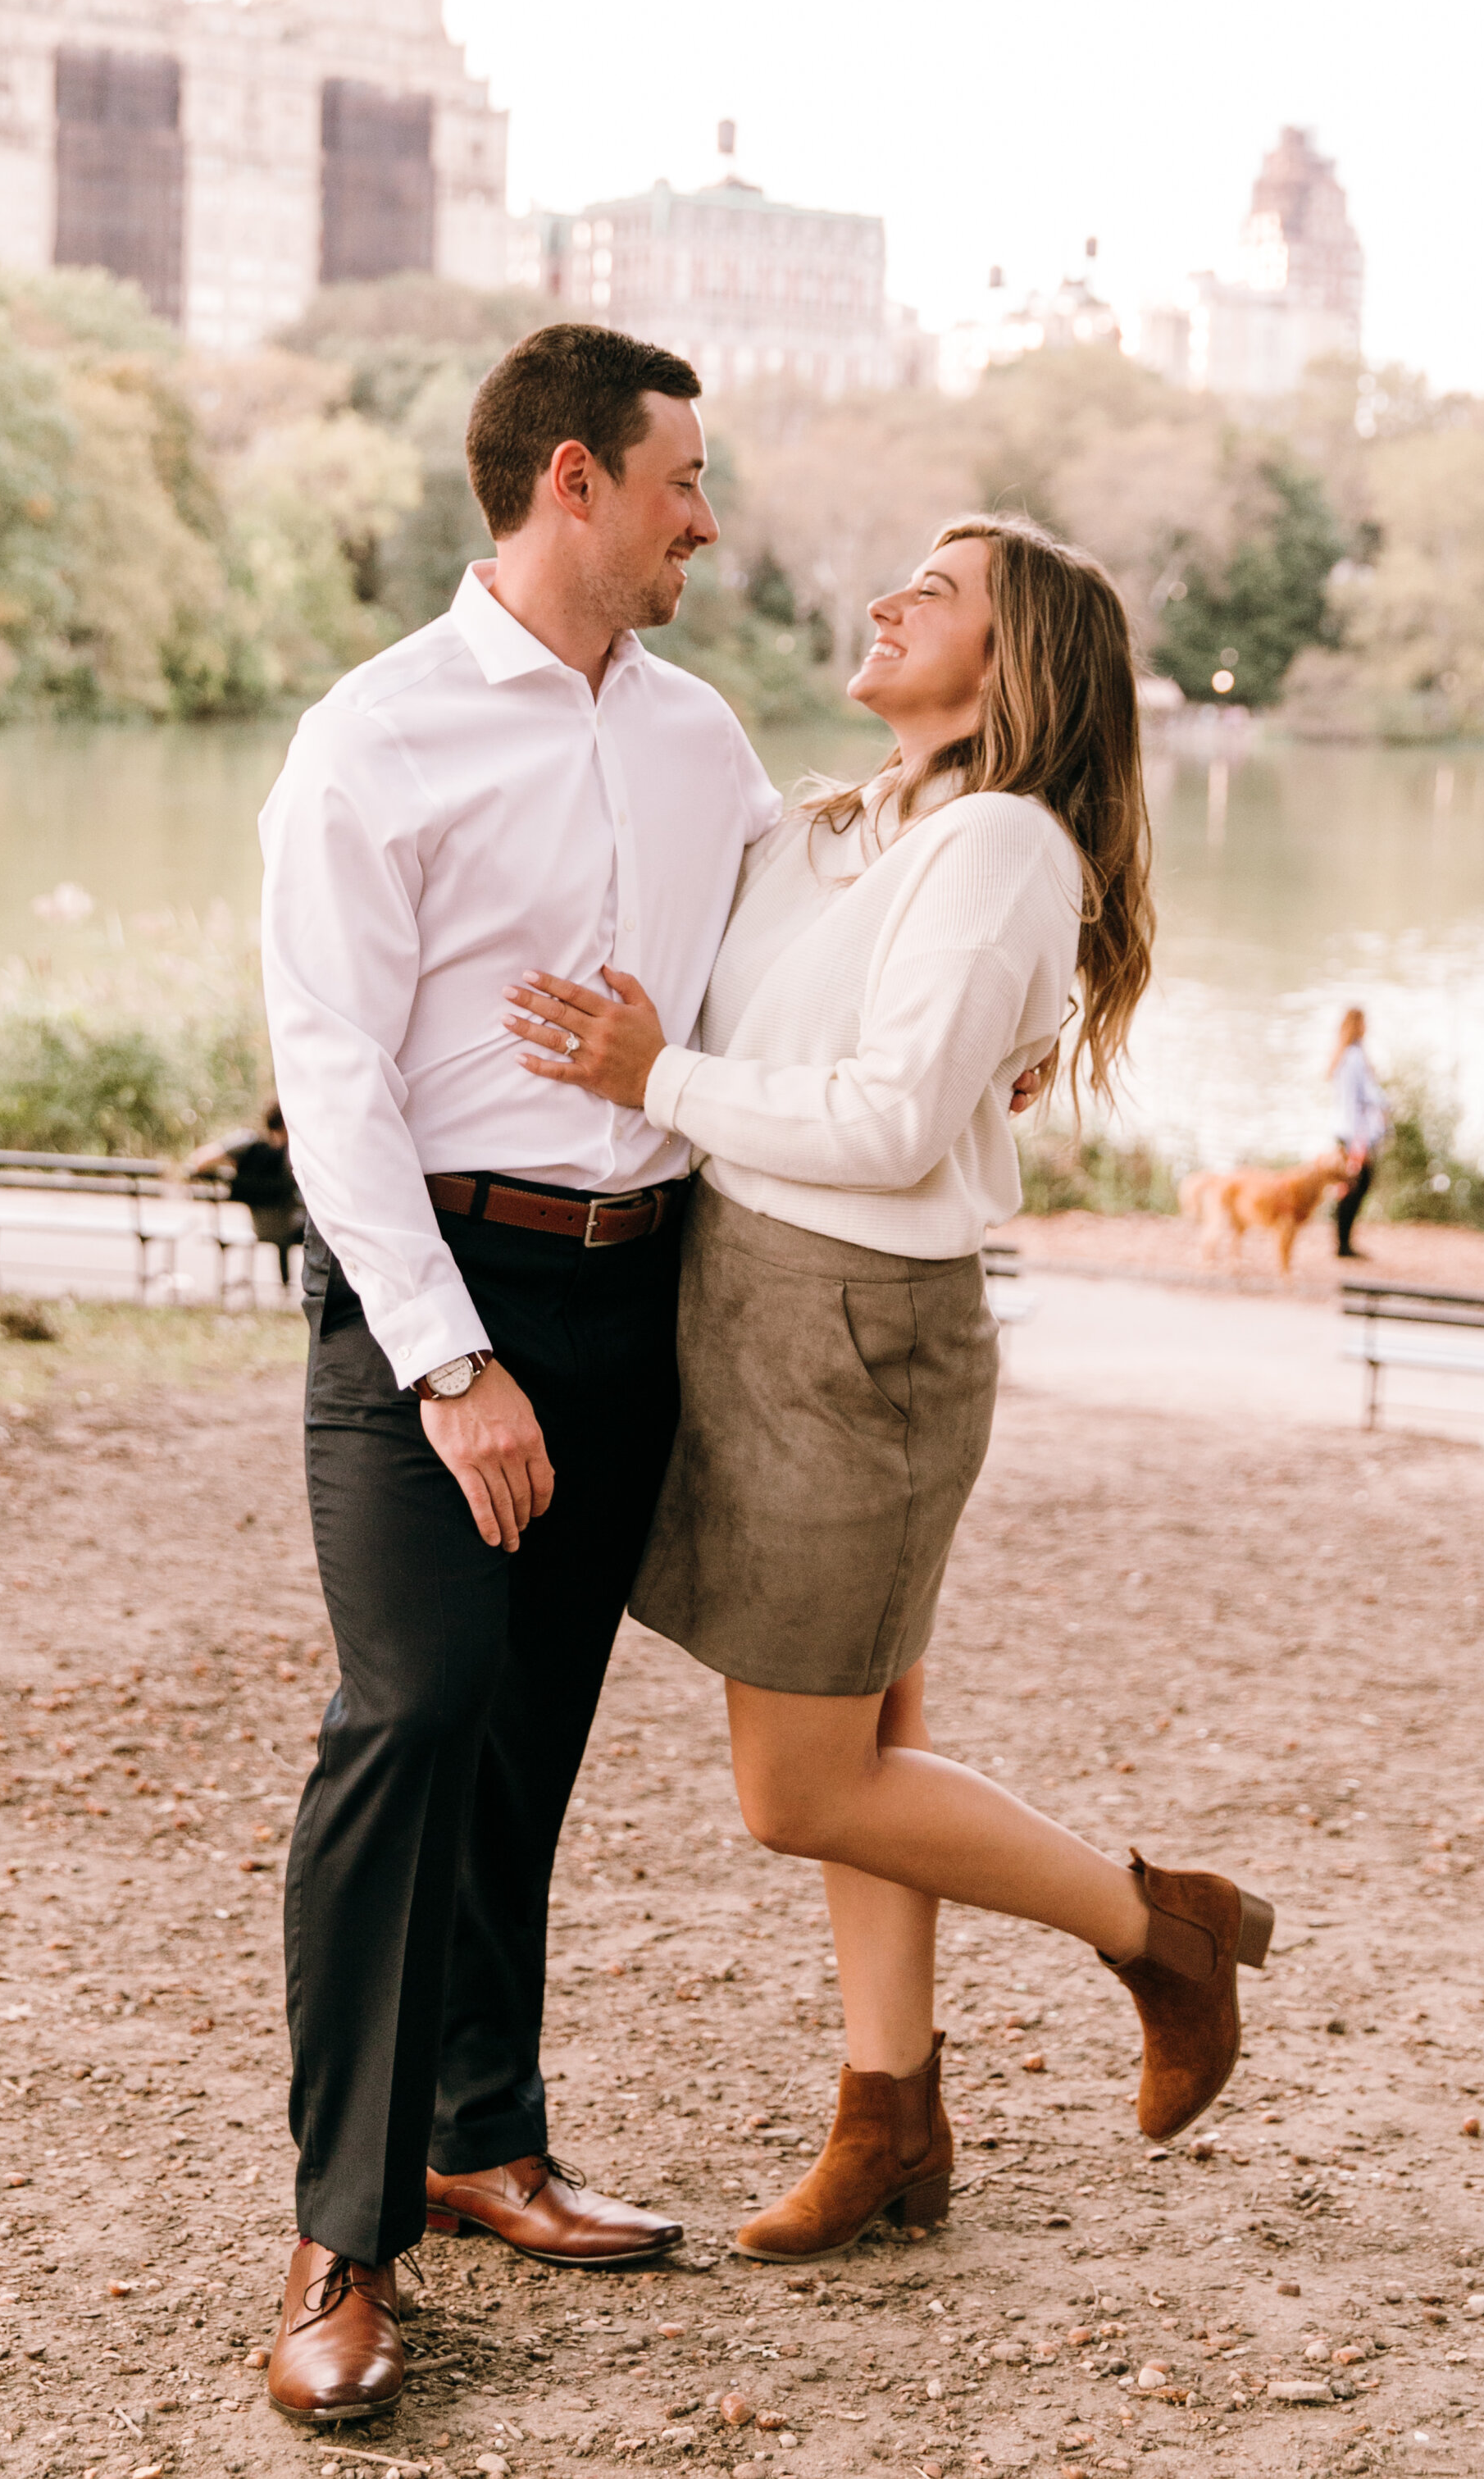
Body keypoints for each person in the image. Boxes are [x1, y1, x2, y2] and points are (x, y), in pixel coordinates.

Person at [504, 515, 1273, 2266]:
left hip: (857, 1329)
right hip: (745, 1297)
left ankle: (1159, 1928)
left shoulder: (999, 842)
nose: (883, 601)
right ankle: (889, 2114)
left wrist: (659, 1072)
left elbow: (888, 1123)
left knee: (796, 1785)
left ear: (1014, 664)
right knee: (869, 1741)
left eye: (932, 593)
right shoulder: (843, 824)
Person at [255, 325, 781, 2425]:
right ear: (572, 479)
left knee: (531, 1738)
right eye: (680, 480)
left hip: (630, 1294)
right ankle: (339, 2235)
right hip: (433, 1294)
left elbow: (796, 923)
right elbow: (330, 1081)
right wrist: (452, 1358)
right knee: (414, 1715)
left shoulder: (701, 734)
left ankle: (485, 2134)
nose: (704, 519)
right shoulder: (369, 739)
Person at [185, 1102, 306, 1286]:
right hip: (292, 1227)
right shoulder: (295, 1154)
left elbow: (199, 1160)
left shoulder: (248, 1145)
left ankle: (284, 1282)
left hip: (259, 1226)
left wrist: (235, 1167)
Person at [1328, 1007, 1388, 1258]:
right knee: (1356, 1184)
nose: (1367, 1027)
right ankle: (1343, 1243)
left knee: (1355, 1183)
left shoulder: (1350, 1055)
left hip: (1352, 1131)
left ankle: (1344, 1241)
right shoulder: (1353, 1057)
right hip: (1356, 1134)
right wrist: (1358, 1139)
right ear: (1356, 1025)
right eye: (1364, 1022)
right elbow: (1356, 1098)